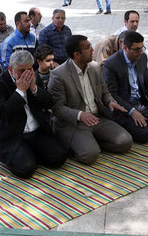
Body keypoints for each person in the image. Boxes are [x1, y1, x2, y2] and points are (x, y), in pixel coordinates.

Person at [49, 35, 132, 165]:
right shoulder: (58, 75)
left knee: (125, 142)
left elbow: (104, 91)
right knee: (90, 156)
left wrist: (111, 102)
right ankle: (81, 145)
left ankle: (92, 143)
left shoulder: (94, 67)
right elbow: (57, 108)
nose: (93, 50)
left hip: (97, 118)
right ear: (77, 54)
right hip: (74, 123)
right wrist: (80, 115)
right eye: (88, 48)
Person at [0, 50, 67, 178]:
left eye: (29, 69)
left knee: (59, 158)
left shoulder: (33, 76)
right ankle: (21, 155)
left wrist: (34, 89)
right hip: (13, 136)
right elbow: (1, 115)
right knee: (26, 169)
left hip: (36, 131)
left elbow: (49, 103)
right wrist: (20, 91)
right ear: (11, 69)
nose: (26, 74)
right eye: (21, 70)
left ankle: (31, 153)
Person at [103, 31, 148, 143]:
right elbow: (112, 94)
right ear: (125, 48)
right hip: (124, 108)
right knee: (144, 135)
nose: (140, 52)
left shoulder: (142, 57)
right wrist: (132, 111)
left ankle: (145, 122)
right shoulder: (111, 64)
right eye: (137, 50)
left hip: (141, 103)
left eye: (142, 48)